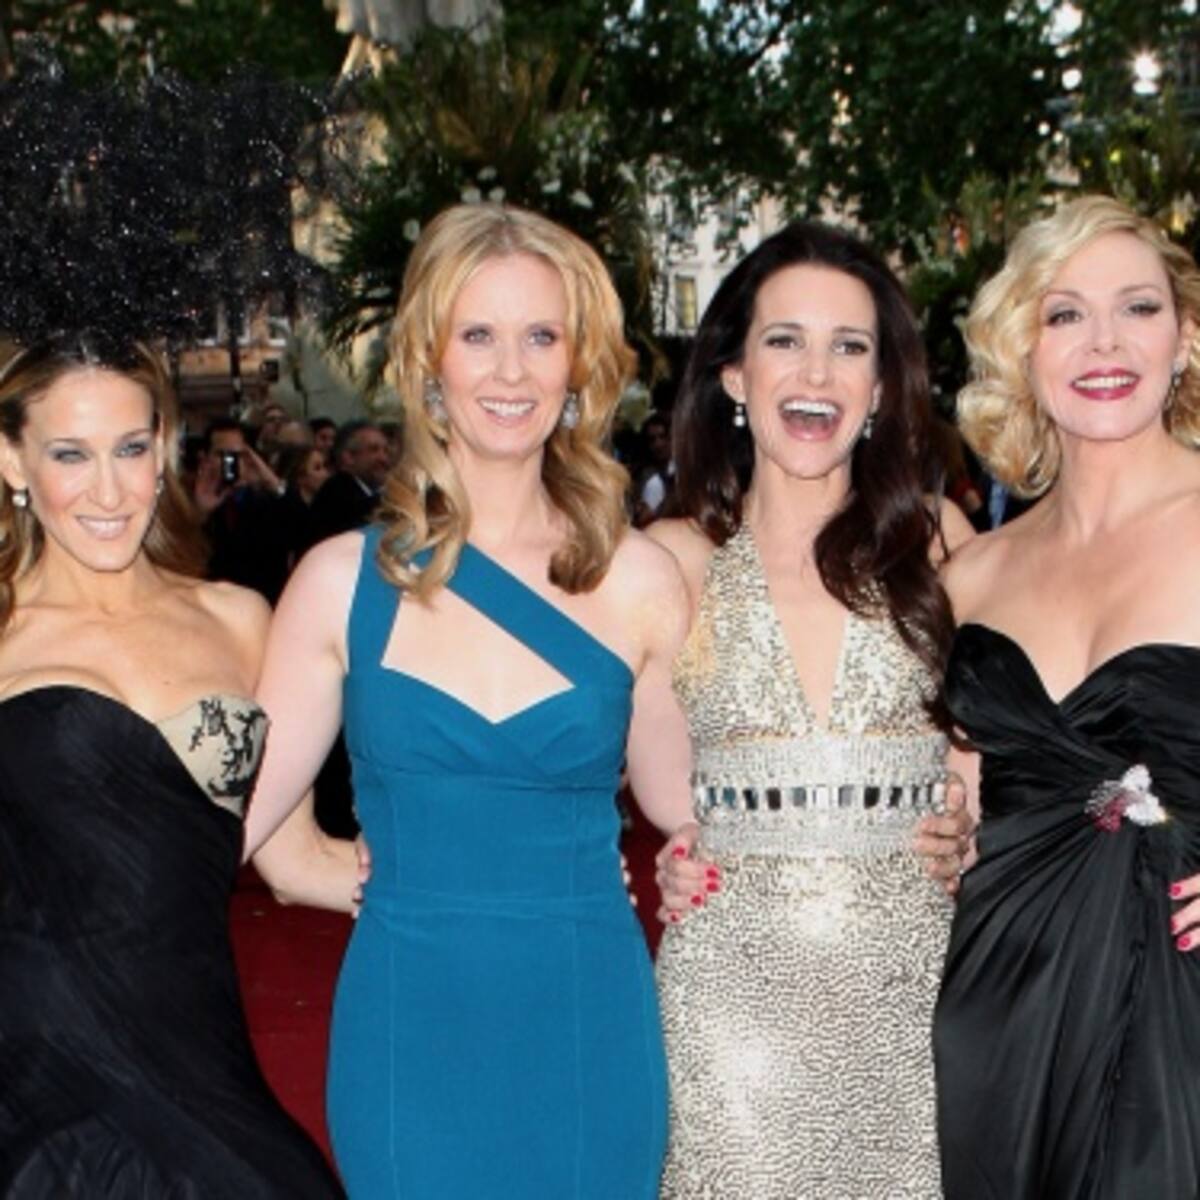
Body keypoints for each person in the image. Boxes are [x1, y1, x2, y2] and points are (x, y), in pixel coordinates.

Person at [246, 203, 696, 1198]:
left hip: (584, 1022)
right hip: (408, 1025)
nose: (511, 371)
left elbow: (691, 806)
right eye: (478, 335)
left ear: (578, 365)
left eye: (542, 337)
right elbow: (231, 821)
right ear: (429, 360)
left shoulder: (639, 580)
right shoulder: (340, 581)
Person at [648, 221, 974, 1199]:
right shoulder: (673, 560)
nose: (817, 373)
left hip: (913, 995)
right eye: (785, 339)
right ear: (734, 374)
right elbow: (653, 786)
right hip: (730, 1015)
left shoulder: (941, 542)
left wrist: (972, 825)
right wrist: (677, 849)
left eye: (850, 346)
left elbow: (998, 752)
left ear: (881, 387)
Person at [0, 332, 347, 1197]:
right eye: (70, 455)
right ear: (11, 461)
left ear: (163, 447)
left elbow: (297, 859)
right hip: (39, 1087)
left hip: (202, 1061)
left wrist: (510, 870)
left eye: (130, 448)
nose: (109, 490)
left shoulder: (238, 620)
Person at [935, 195, 1200, 1198]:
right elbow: (951, 805)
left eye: (1138, 308)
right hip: (1001, 1008)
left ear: (1184, 338)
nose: (1105, 343)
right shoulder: (973, 575)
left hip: (1179, 1011)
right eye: (1065, 314)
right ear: (1023, 350)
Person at [305, 418, 390, 544]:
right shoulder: (338, 495)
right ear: (349, 457)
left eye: (386, 451)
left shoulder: (366, 492)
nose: (383, 458)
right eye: (374, 450)